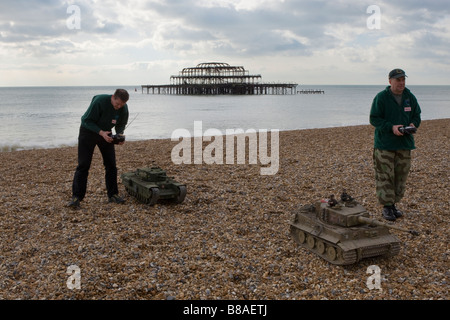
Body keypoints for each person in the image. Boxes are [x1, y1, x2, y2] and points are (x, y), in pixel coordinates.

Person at [369, 69, 421, 221]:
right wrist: (391, 127)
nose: (401, 82)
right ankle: (386, 207)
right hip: (385, 144)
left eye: (403, 79)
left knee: (400, 176)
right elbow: (374, 119)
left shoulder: (409, 97)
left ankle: (393, 205)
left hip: (404, 144)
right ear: (390, 81)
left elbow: (417, 115)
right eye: (398, 80)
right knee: (385, 176)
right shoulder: (382, 97)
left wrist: (413, 124)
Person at [68, 89, 130, 208]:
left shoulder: (123, 107)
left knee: (111, 165)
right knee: (83, 165)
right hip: (88, 132)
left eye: (122, 105)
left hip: (107, 134)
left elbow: (121, 123)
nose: (118, 107)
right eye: (117, 104)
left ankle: (113, 195)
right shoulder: (99, 101)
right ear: (113, 97)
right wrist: (101, 133)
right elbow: (85, 120)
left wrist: (119, 136)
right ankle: (76, 197)